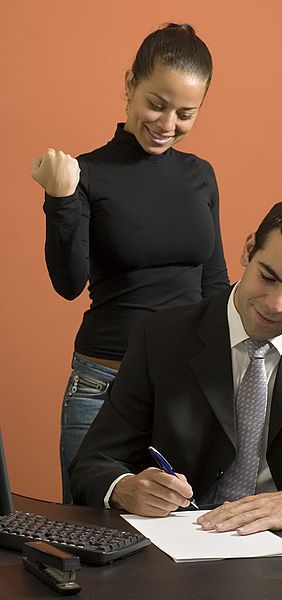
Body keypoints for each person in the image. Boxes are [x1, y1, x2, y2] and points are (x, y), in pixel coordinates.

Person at [69, 195, 282, 534]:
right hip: (186, 540)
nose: (275, 304)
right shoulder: (160, 336)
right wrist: (125, 488)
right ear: (248, 251)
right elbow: (92, 464)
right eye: (267, 277)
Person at [30, 23, 229, 503]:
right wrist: (59, 199)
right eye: (156, 104)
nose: (166, 125)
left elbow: (215, 284)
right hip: (103, 384)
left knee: (184, 546)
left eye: (185, 113)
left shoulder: (200, 177)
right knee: (90, 539)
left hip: (183, 391)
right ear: (129, 86)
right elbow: (68, 282)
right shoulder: (86, 173)